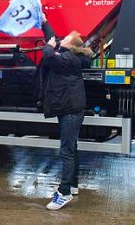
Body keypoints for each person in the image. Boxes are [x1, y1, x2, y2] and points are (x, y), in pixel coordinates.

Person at [38, 13, 93, 210]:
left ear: (70, 46)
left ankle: (64, 192)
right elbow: (53, 39)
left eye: (65, 39)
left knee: (66, 151)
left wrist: (50, 46)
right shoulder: (71, 56)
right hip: (70, 109)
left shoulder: (67, 60)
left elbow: (46, 55)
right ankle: (74, 184)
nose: (61, 40)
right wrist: (45, 22)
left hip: (70, 110)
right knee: (72, 147)